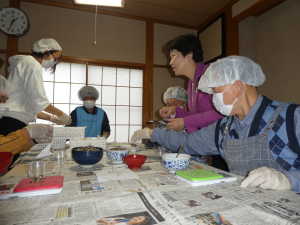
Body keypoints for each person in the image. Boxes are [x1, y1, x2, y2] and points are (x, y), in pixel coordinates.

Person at [131, 56, 300, 192]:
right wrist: (152, 133)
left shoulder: (291, 117)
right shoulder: (225, 128)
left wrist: (287, 180)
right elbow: (187, 143)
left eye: (216, 92)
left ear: (238, 87)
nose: (213, 99)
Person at [0, 38, 72, 135]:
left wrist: (51, 118)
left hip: (12, 119)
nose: (54, 62)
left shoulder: (26, 63)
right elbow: (39, 100)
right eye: (55, 59)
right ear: (47, 52)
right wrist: (62, 115)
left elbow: (29, 105)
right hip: (12, 121)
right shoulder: (32, 64)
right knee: (9, 149)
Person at [160, 34, 222, 132]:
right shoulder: (191, 83)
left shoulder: (210, 74)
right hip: (204, 138)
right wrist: (175, 111)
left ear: (189, 55)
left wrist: (185, 122)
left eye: (173, 56)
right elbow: (196, 117)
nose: (170, 62)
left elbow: (222, 113)